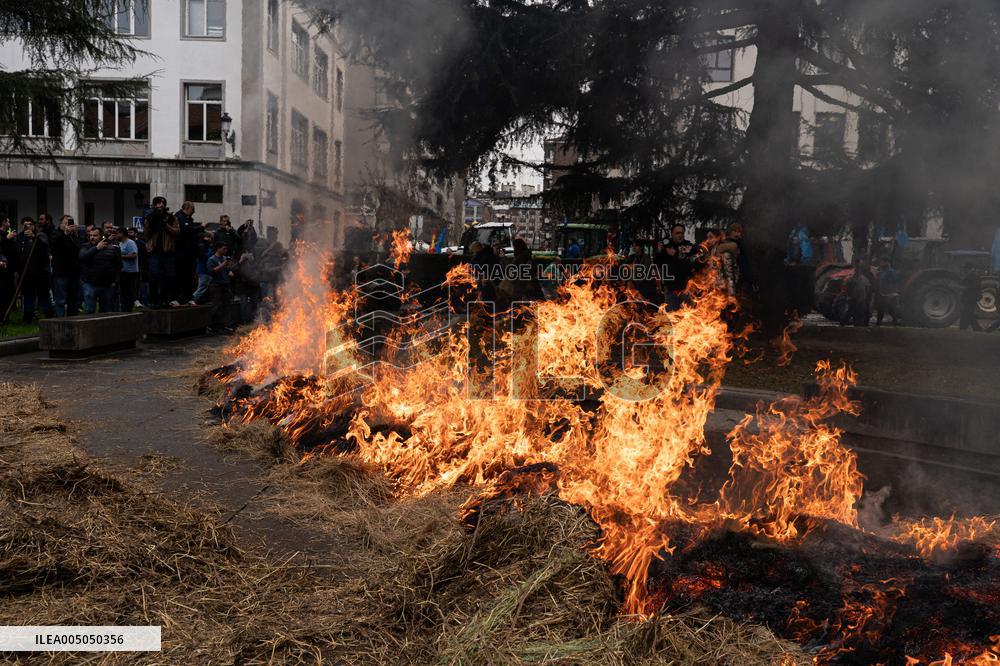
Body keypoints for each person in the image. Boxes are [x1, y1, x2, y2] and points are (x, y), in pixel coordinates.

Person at [144, 196, 180, 307]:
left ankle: (165, 300)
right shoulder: (150, 217)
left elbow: (177, 232)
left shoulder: (171, 218)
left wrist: (165, 225)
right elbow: (146, 233)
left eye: (162, 203)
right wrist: (152, 223)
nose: (160, 205)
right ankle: (153, 301)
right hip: (155, 251)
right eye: (158, 203)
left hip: (168, 251)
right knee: (154, 276)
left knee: (168, 277)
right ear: (154, 205)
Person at [16, 217, 54, 323]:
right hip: (26, 273)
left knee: (44, 296)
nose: (28, 226)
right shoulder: (20, 237)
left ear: (34, 225)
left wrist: (33, 237)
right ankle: (28, 318)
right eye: (25, 224)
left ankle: (50, 317)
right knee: (28, 296)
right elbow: (18, 252)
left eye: (30, 224)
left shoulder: (40, 235)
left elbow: (44, 245)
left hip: (41, 273)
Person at [79, 226, 121, 314]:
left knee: (105, 312)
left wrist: (115, 280)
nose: (92, 237)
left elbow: (118, 265)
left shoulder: (112, 247)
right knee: (89, 311)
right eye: (90, 235)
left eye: (95, 235)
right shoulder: (85, 246)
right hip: (89, 283)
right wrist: (97, 248)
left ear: (101, 236)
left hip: (107, 284)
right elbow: (82, 257)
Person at [50, 215, 82, 317]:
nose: (69, 226)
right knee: (60, 299)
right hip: (61, 273)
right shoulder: (56, 234)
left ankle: (73, 319)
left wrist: (74, 233)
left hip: (74, 272)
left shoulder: (74, 236)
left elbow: (78, 249)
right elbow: (54, 243)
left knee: (74, 299)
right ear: (61, 224)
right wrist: (65, 234)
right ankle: (59, 320)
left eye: (71, 223)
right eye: (66, 223)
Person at [174, 201, 202, 304]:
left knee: (189, 276)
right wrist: (200, 228)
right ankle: (178, 298)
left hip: (190, 253)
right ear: (186, 208)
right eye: (192, 209)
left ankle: (188, 297)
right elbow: (186, 231)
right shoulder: (179, 217)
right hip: (182, 252)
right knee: (181, 276)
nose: (194, 211)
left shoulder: (189, 219)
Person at [206, 241, 234, 334]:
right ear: (218, 248)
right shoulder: (212, 259)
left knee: (227, 306)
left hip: (225, 285)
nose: (225, 250)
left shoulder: (225, 259)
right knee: (216, 307)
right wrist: (223, 264)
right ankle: (210, 326)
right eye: (223, 248)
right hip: (216, 285)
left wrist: (230, 270)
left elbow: (228, 270)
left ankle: (225, 326)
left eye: (226, 249)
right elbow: (212, 271)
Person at [115, 227, 139, 312]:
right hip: (123, 271)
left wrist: (120, 256)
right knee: (123, 291)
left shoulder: (130, 242)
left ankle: (128, 309)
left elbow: (134, 255)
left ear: (122, 233)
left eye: (117, 233)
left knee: (129, 291)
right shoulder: (120, 243)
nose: (116, 235)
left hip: (130, 272)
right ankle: (124, 308)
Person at [845, 258, 872, 327]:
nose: (859, 267)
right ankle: (843, 325)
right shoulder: (852, 278)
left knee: (860, 314)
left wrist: (867, 298)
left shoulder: (865, 277)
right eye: (858, 265)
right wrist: (850, 296)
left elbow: (868, 289)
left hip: (862, 299)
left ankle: (859, 326)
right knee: (851, 313)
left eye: (860, 265)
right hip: (854, 299)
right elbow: (848, 288)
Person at [874, 256, 900, 326]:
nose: (881, 263)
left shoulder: (891, 272)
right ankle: (879, 323)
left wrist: (890, 294)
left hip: (889, 295)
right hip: (883, 294)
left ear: (887, 262)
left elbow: (893, 283)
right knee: (883, 310)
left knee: (887, 310)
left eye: (882, 262)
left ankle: (894, 323)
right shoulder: (884, 271)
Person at [190, 230, 214, 305]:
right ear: (206, 237)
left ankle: (198, 300)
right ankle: (192, 299)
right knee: (202, 287)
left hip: (204, 269)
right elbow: (204, 257)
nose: (211, 239)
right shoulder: (202, 246)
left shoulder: (204, 245)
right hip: (203, 269)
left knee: (203, 286)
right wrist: (212, 252)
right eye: (210, 237)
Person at [959, 263, 981, 331]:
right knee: (969, 313)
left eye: (965, 269)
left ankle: (963, 327)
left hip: (970, 298)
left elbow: (974, 287)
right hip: (971, 297)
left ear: (969, 269)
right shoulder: (973, 276)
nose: (964, 270)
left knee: (966, 312)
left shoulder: (973, 276)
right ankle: (976, 328)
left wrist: (964, 288)